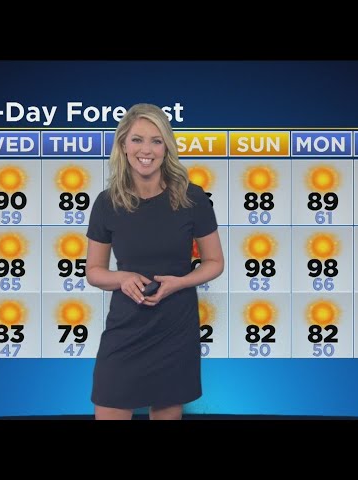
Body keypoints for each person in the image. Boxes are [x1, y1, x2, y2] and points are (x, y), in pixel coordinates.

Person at [85, 103, 224, 420]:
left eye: (156, 140)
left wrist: (181, 283)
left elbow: (215, 261)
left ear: (166, 147)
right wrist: (121, 278)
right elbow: (93, 271)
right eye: (137, 139)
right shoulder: (106, 203)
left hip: (174, 327)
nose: (146, 150)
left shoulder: (193, 198)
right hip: (125, 327)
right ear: (123, 145)